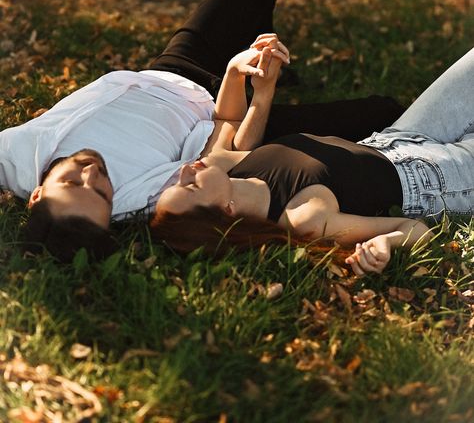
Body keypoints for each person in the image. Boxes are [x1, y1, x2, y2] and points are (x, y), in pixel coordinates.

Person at [0, 0, 403, 260]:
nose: (92, 173)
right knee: (378, 112)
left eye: (72, 184)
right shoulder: (139, 198)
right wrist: (249, 90)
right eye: (101, 192)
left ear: (36, 195)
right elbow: (221, 153)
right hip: (220, 114)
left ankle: (261, 58)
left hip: (174, 71)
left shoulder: (15, 156)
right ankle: (268, 74)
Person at [152, 46, 474, 276]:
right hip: (436, 181)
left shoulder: (225, 168)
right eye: (190, 187)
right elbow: (414, 229)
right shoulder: (304, 220)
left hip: (394, 138)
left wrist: (240, 73)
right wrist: (386, 243)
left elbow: (227, 122)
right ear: (226, 211)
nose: (184, 171)